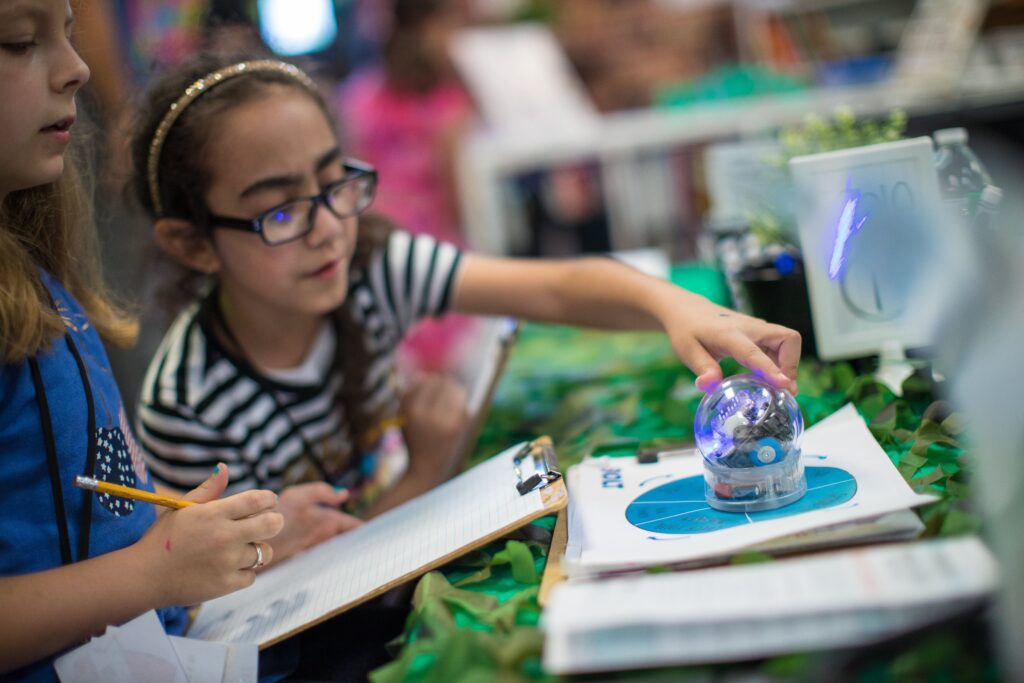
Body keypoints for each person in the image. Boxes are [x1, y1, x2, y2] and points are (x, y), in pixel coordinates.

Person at [129, 54, 801, 568]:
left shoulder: (369, 264)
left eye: (334, 183)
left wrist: (675, 306)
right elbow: (247, 609)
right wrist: (426, 467)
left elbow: (557, 288)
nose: (328, 226)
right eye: (279, 209)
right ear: (193, 243)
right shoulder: (188, 403)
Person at [0, 3, 284, 680]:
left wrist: (217, 540)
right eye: (17, 42)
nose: (77, 69)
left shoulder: (32, 276)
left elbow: (80, 500)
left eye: (70, 34)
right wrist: (155, 570)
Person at [336, 0, 478, 374]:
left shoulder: (358, 95)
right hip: (431, 249)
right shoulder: (449, 105)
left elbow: (352, 179)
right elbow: (456, 196)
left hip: (375, 242)